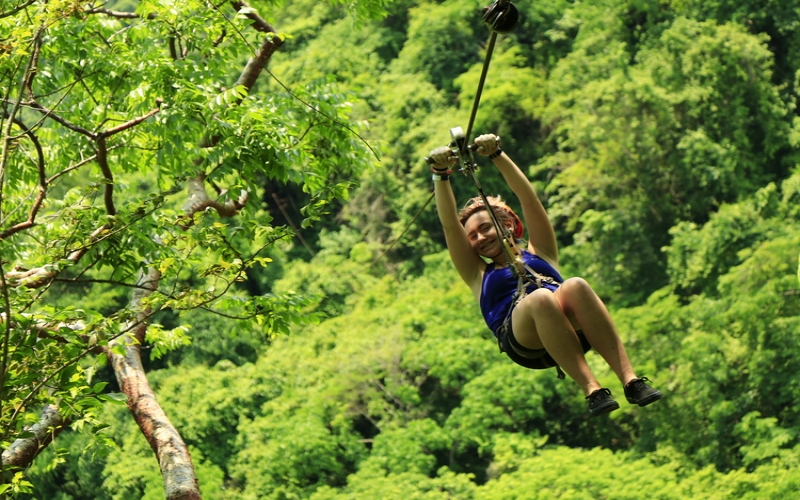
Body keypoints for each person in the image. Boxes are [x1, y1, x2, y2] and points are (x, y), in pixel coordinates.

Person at [428, 133, 663, 417]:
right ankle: (592, 389)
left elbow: (528, 198)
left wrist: (497, 154)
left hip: (569, 330)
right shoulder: (478, 274)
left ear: (508, 224)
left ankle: (632, 381)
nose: (480, 238)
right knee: (540, 298)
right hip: (522, 339)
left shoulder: (541, 252)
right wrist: (440, 174)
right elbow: (450, 226)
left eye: (485, 228)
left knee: (576, 284)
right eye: (473, 236)